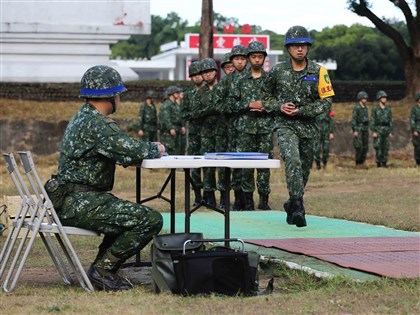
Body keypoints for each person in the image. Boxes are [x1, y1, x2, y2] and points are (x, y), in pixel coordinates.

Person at [54, 65, 165, 291]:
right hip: (81, 202)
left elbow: (119, 148)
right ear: (112, 96)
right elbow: (131, 150)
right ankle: (102, 270)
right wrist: (155, 148)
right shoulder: (96, 124)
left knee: (126, 215)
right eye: (119, 95)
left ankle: (103, 268)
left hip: (73, 199)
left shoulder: (83, 117)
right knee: (150, 219)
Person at [261, 25, 335, 227]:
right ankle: (299, 208)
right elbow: (265, 97)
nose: (299, 49)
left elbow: (326, 101)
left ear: (308, 47)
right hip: (285, 125)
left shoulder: (319, 72)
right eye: (295, 46)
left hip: (309, 127)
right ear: (288, 49)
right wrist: (279, 106)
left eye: (303, 45)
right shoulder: (277, 71)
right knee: (292, 160)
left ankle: (291, 203)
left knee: (303, 170)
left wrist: (302, 111)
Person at [232, 41, 274, 210]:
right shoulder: (240, 80)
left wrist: (266, 106)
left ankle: (264, 200)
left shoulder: (270, 80)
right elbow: (231, 104)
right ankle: (248, 200)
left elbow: (277, 102)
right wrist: (248, 104)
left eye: (260, 57)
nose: (257, 60)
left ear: (264, 59)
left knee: (265, 165)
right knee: (246, 164)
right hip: (245, 128)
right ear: (249, 59)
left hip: (265, 128)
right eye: (254, 57)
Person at [192, 58, 219, 207]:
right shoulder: (199, 93)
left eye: (210, 71)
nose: (207, 75)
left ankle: (223, 198)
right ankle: (209, 196)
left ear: (215, 72)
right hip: (206, 133)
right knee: (208, 166)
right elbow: (195, 113)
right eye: (204, 73)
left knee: (223, 166)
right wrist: (210, 110)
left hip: (222, 132)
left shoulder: (222, 88)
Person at [181, 61, 204, 205]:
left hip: (209, 132)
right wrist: (195, 114)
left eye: (198, 74)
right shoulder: (188, 94)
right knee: (194, 165)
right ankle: (197, 195)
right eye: (193, 75)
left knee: (209, 166)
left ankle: (209, 195)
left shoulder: (209, 90)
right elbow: (183, 113)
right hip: (194, 133)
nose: (196, 78)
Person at [159, 86, 184, 155]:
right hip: (169, 132)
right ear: (172, 94)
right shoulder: (167, 104)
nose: (178, 94)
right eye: (176, 93)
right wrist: (170, 128)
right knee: (170, 149)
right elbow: (166, 118)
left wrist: (182, 126)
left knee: (177, 150)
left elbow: (179, 116)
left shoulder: (175, 104)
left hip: (177, 129)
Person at [371, 90, 393, 168]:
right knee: (378, 146)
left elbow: (390, 120)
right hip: (378, 129)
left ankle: (384, 162)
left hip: (386, 129)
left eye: (385, 98)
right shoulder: (375, 109)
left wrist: (390, 131)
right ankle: (378, 162)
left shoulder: (388, 109)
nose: (385, 99)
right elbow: (373, 120)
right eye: (383, 98)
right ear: (379, 98)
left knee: (386, 147)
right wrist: (374, 131)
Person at [352, 91, 370, 167]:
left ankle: (362, 161)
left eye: (366, 98)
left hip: (365, 128)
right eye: (364, 98)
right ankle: (358, 161)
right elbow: (354, 119)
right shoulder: (357, 108)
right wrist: (355, 130)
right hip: (359, 127)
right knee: (359, 146)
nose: (365, 99)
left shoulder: (365, 107)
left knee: (365, 146)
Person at [409, 92, 420, 166]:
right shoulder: (414, 109)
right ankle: (418, 161)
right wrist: (414, 129)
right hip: (417, 129)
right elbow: (412, 120)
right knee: (418, 146)